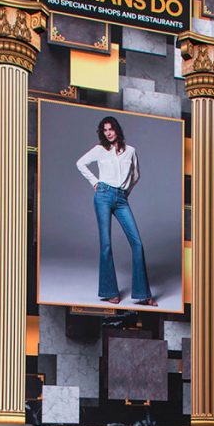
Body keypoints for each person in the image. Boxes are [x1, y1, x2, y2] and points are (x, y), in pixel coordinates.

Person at [76, 115, 156, 306]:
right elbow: (80, 163)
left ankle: (143, 294)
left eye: (111, 129)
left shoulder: (131, 151)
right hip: (103, 195)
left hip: (121, 198)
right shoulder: (99, 150)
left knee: (137, 243)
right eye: (105, 130)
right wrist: (95, 182)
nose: (108, 133)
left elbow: (136, 175)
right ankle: (110, 292)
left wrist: (125, 191)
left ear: (117, 129)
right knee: (106, 244)